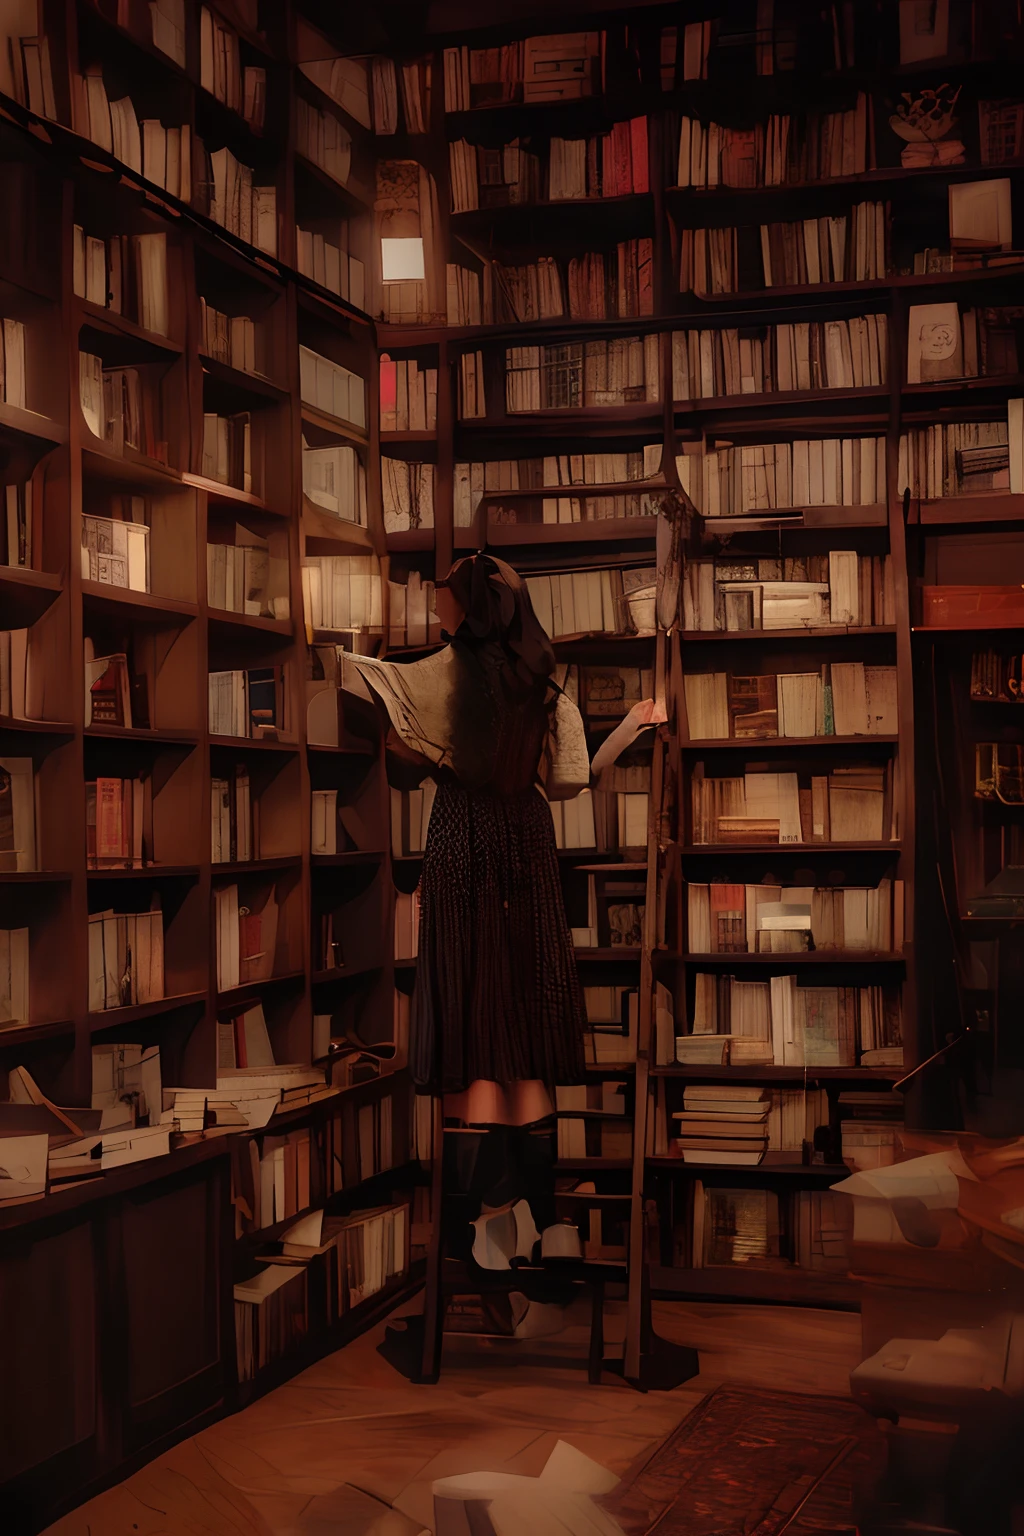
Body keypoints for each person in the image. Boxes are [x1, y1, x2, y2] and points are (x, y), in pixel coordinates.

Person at [341, 554, 660, 1247]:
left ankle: (483, 1235)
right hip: (527, 850)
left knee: (471, 1032)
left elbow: (389, 725)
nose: (435, 608)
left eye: (445, 597)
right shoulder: (545, 688)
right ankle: (542, 1229)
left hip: (463, 844)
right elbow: (570, 781)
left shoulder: (439, 677)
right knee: (519, 1041)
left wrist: (355, 657)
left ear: (470, 609)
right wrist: (629, 729)